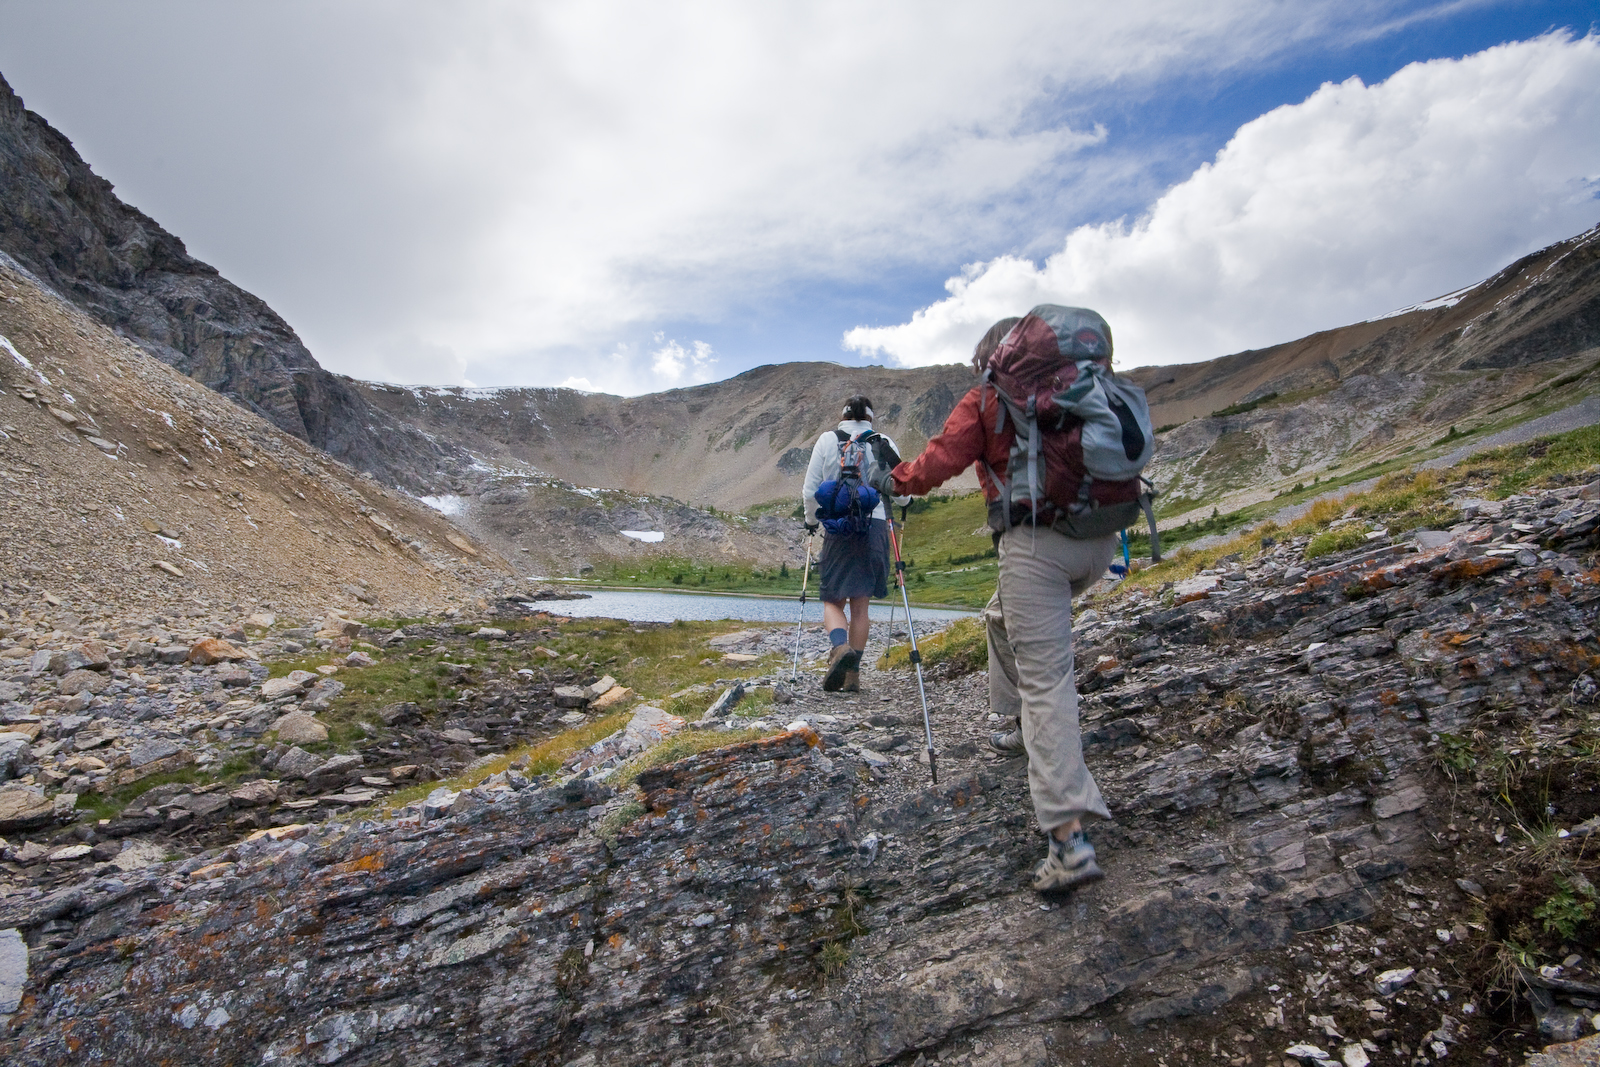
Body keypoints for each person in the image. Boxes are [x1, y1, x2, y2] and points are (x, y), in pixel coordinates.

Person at [890, 313, 1119, 893]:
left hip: (1038, 547)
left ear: (995, 359)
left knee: (1047, 684)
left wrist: (893, 481)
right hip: (1100, 538)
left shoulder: (987, 399)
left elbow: (936, 463)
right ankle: (1016, 726)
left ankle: (1068, 843)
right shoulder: (1080, 387)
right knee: (998, 616)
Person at [801, 395, 905, 692]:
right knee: (861, 606)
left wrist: (812, 522)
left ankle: (839, 648)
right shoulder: (883, 441)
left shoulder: (826, 440)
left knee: (833, 600)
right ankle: (853, 675)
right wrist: (905, 503)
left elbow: (810, 491)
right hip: (874, 527)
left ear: (843, 416)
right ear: (870, 418)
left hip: (839, 527)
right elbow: (902, 489)